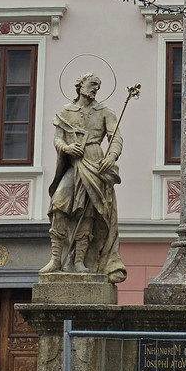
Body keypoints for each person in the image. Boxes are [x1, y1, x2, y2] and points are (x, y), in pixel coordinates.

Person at [40, 72, 127, 283]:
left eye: (98, 85)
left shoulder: (106, 112)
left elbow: (116, 139)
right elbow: (57, 139)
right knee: (59, 204)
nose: (95, 88)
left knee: (88, 212)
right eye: (92, 84)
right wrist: (67, 148)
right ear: (80, 85)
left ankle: (79, 261)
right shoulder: (65, 112)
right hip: (74, 162)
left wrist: (111, 157)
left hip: (96, 162)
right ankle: (56, 259)